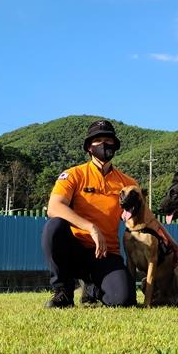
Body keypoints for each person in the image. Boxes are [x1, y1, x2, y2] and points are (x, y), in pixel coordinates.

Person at [41, 119, 138, 308]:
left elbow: (145, 219)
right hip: (74, 249)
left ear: (115, 145)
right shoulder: (74, 175)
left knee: (123, 300)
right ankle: (63, 291)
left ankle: (93, 288)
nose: (104, 144)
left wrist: (173, 245)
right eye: (98, 140)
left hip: (106, 252)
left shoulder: (128, 183)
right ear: (89, 147)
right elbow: (54, 207)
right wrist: (91, 227)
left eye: (108, 140)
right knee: (54, 226)